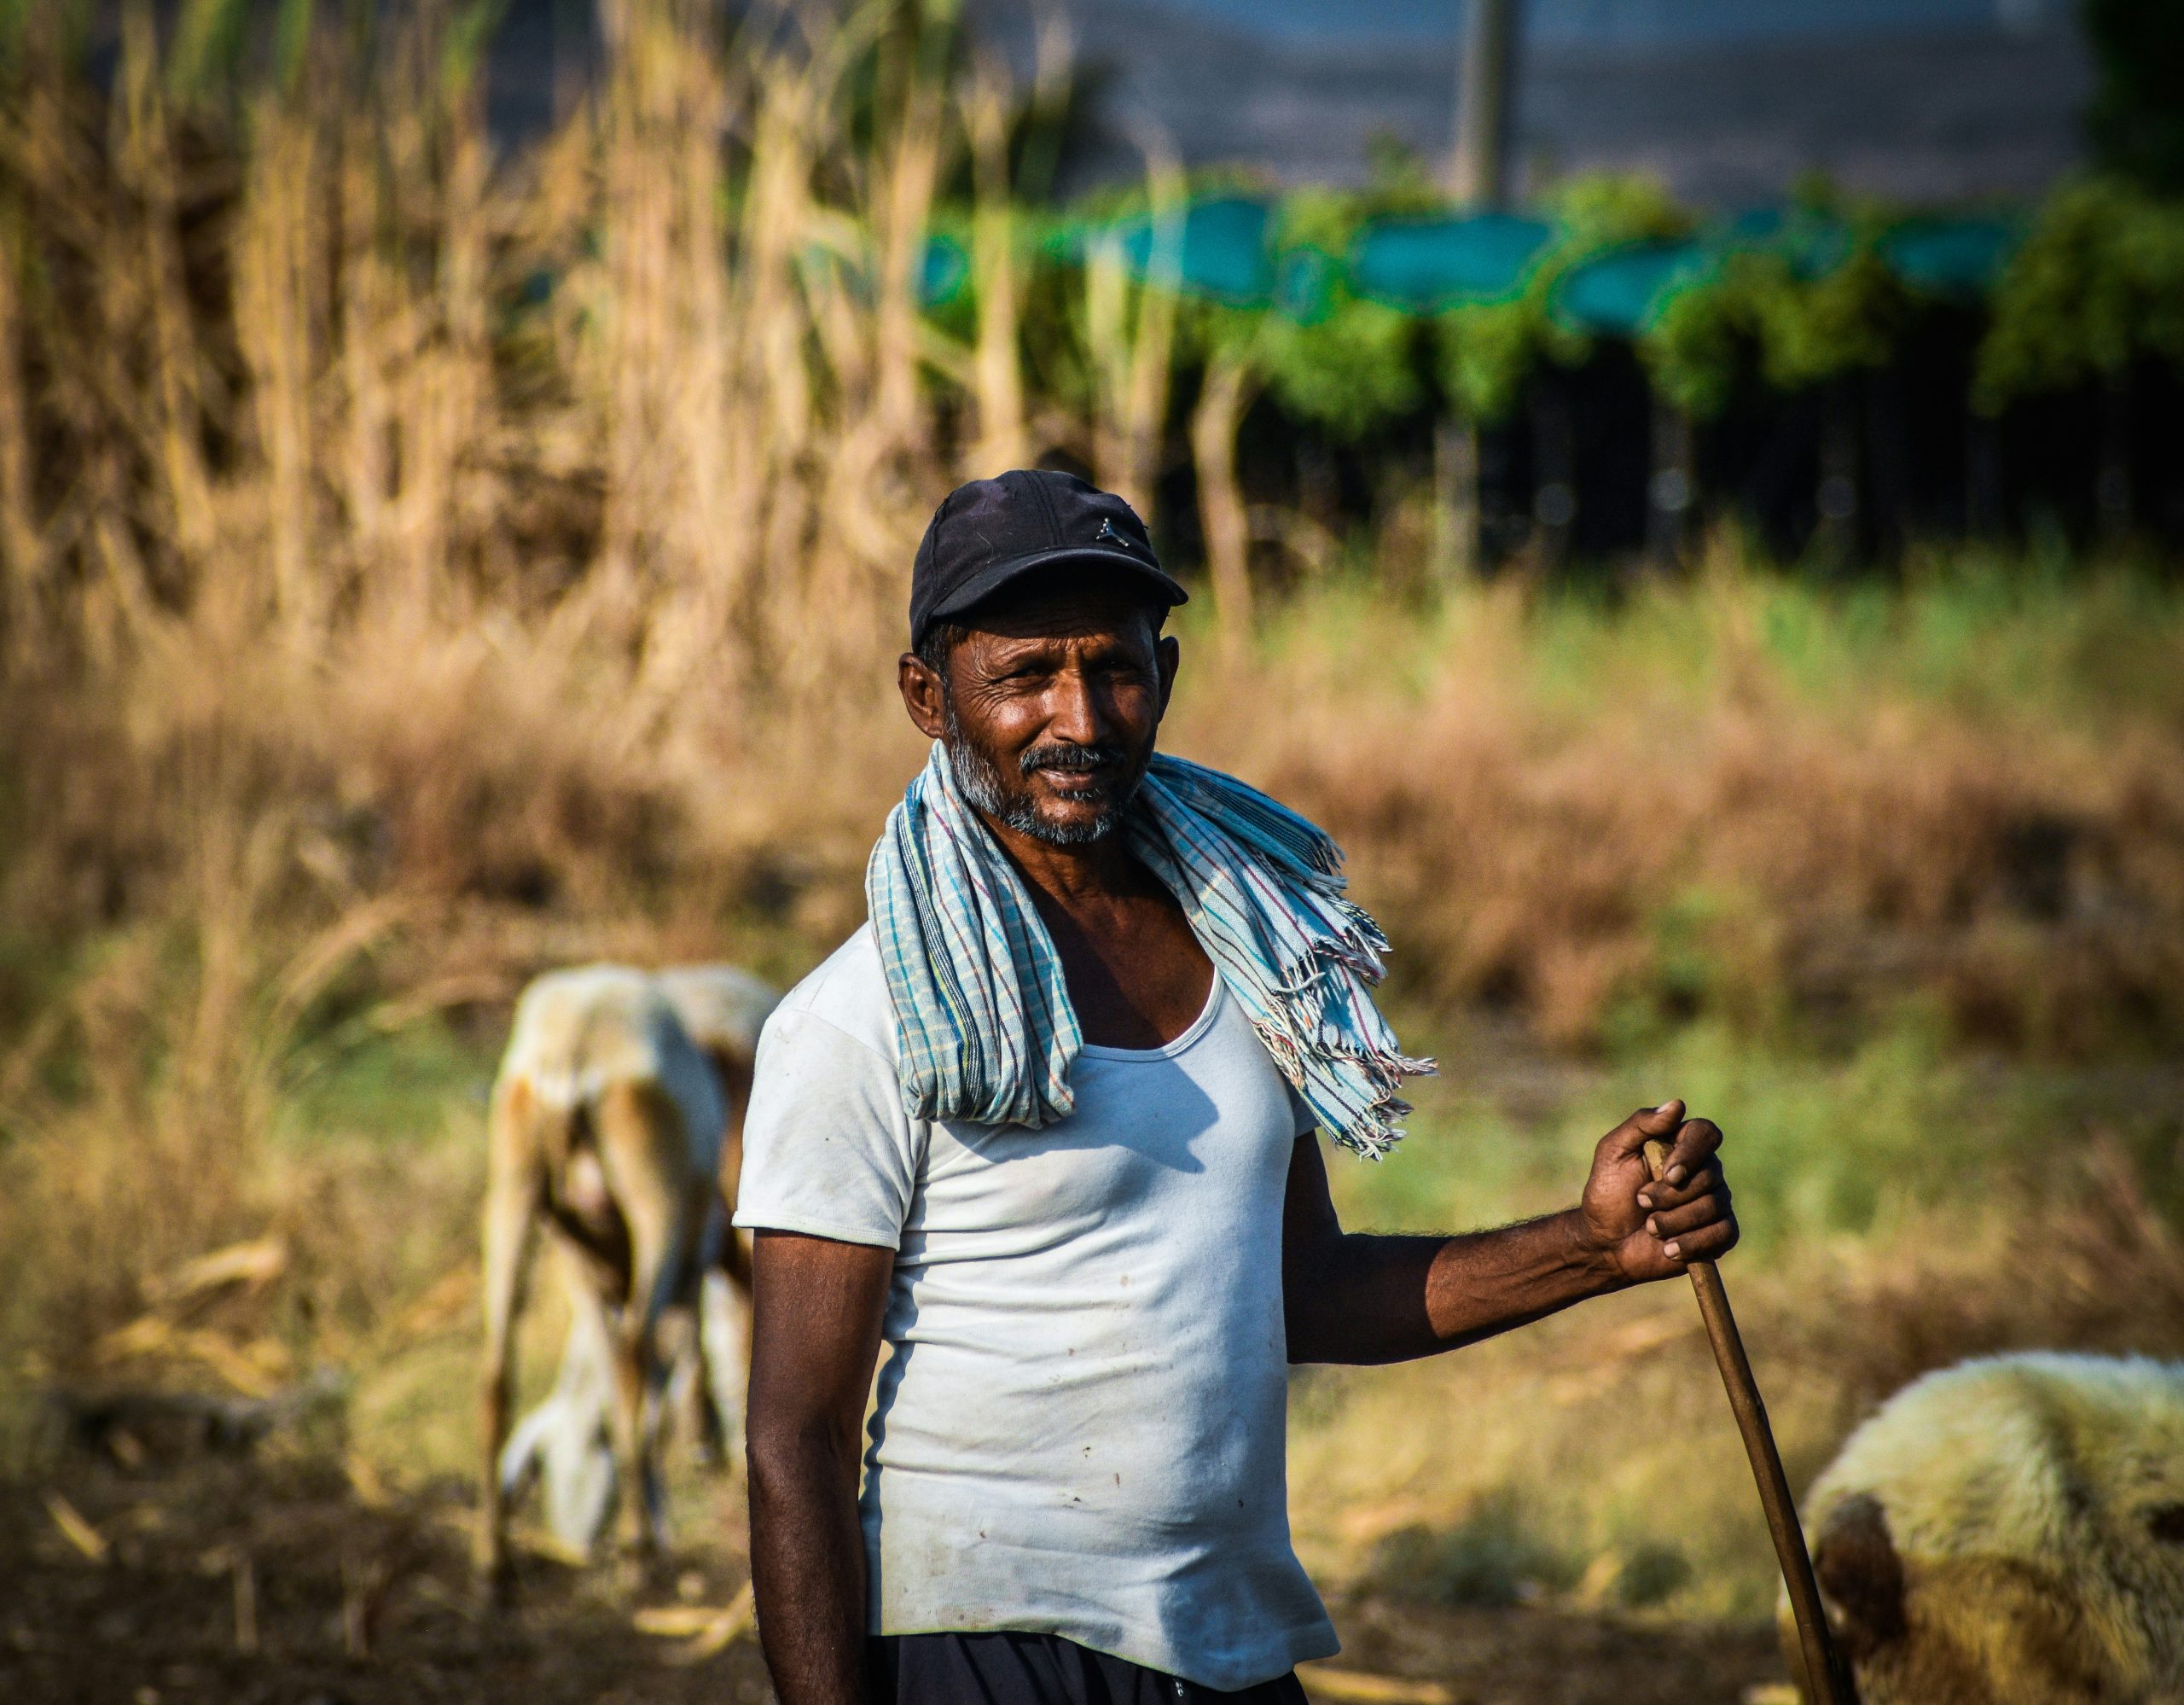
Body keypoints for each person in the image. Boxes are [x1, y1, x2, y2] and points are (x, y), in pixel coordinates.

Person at [736, 469, 1739, 1705]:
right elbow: (796, 1439)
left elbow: (1301, 1297)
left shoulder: (1254, 948)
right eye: (1026, 675)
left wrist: (1594, 1245)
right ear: (927, 697)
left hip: (1227, 1647)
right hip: (983, 1643)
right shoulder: (860, 1020)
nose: (1083, 718)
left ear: (1168, 671)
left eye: (1114, 667)